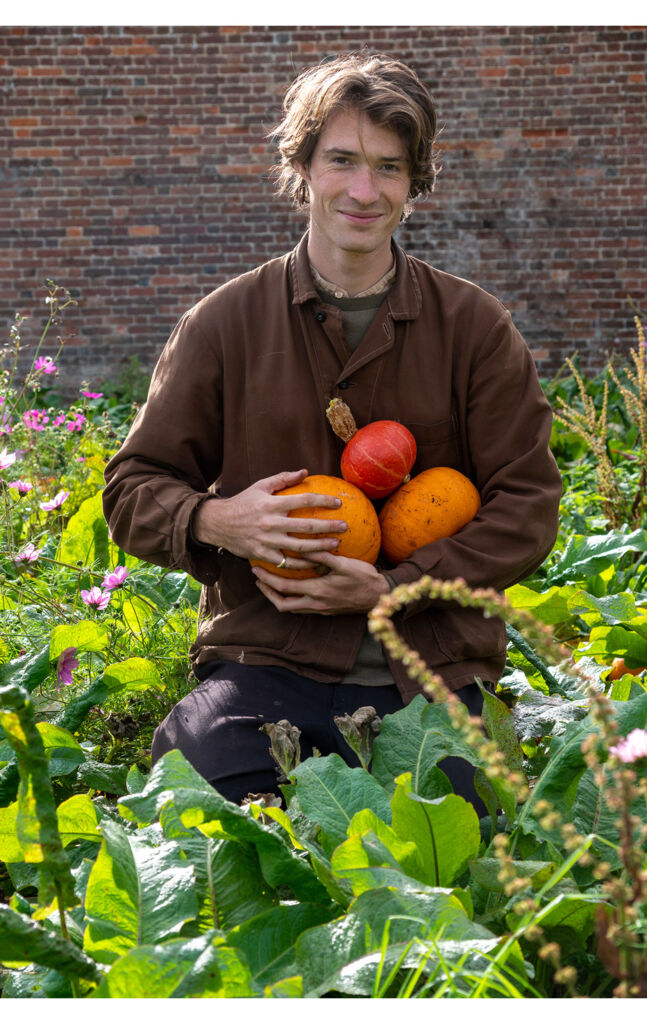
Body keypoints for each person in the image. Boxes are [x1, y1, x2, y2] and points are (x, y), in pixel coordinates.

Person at [102, 52, 562, 813]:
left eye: (388, 167)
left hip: (433, 671)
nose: (363, 190)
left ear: (414, 181)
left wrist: (390, 589)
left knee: (459, 835)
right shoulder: (223, 324)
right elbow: (131, 489)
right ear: (303, 166)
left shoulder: (474, 328)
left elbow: (527, 506)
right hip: (264, 662)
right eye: (341, 160)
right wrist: (221, 520)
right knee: (202, 809)